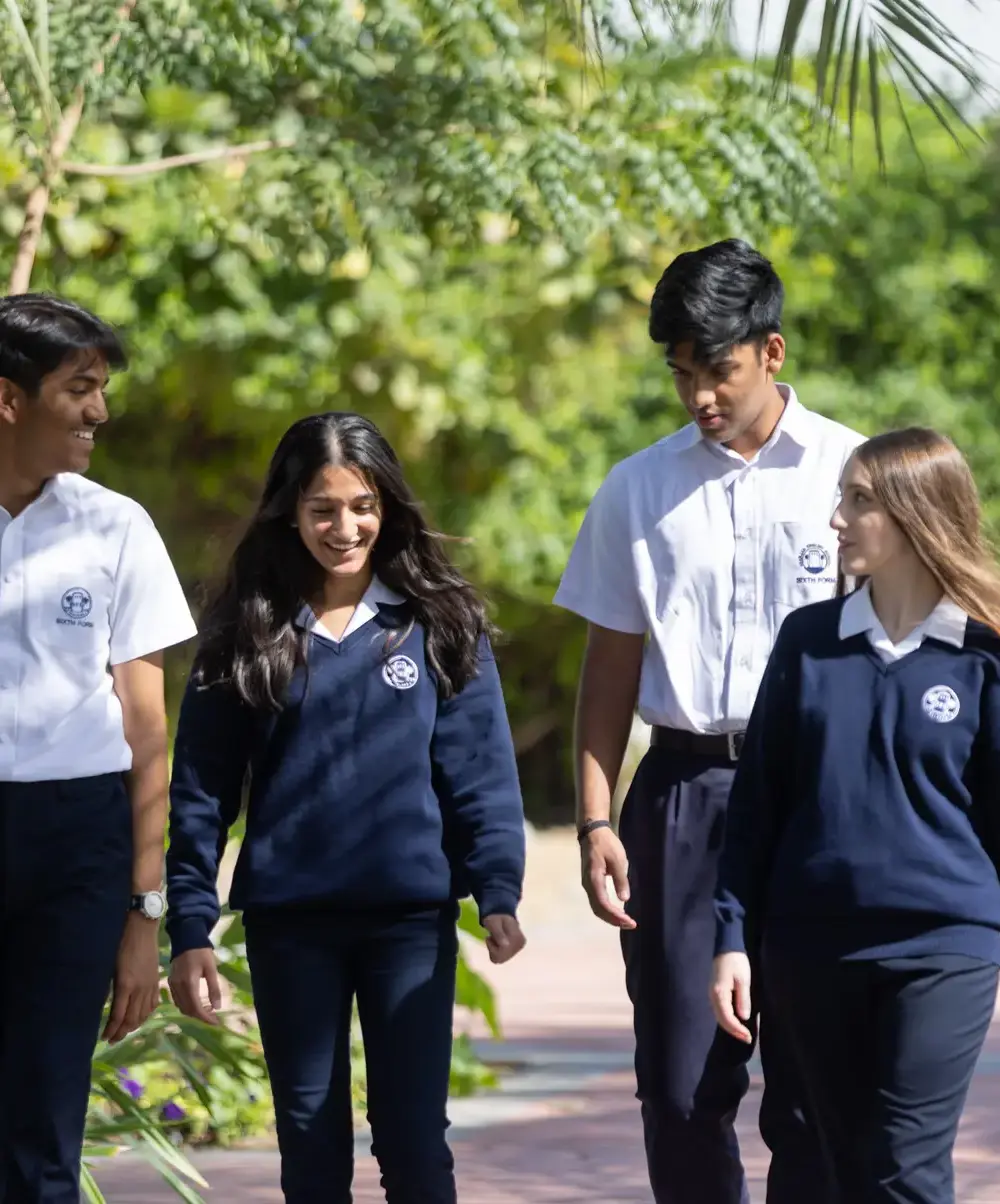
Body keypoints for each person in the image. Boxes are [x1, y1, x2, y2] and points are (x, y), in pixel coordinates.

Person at [553, 238, 864, 1204]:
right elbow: (609, 672)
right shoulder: (636, 491)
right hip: (685, 796)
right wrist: (598, 820)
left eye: (718, 370)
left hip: (823, 798)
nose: (700, 396)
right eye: (682, 373)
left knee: (816, 1093)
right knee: (682, 1087)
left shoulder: (855, 475)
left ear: (771, 352)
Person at [165, 411, 527, 1204]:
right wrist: (188, 922)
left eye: (362, 505)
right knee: (309, 1136)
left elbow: (479, 770)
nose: (344, 526)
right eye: (322, 509)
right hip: (290, 923)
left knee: (413, 1138)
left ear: (388, 506)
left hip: (408, 922)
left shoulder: (440, 621)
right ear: (290, 512)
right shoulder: (244, 632)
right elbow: (201, 788)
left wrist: (497, 888)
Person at [711, 427, 1000, 1204]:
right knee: (836, 1168)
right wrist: (732, 938)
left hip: (945, 945)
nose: (835, 519)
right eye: (841, 498)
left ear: (916, 515)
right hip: (811, 948)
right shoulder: (807, 641)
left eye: (858, 501)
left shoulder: (985, 656)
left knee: (905, 1169)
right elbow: (758, 807)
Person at [0, 294, 197, 1202]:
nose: (99, 413)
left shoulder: (115, 527)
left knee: (45, 1117)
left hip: (78, 838)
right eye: (80, 389)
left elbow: (147, 727)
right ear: (10, 400)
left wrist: (143, 910)